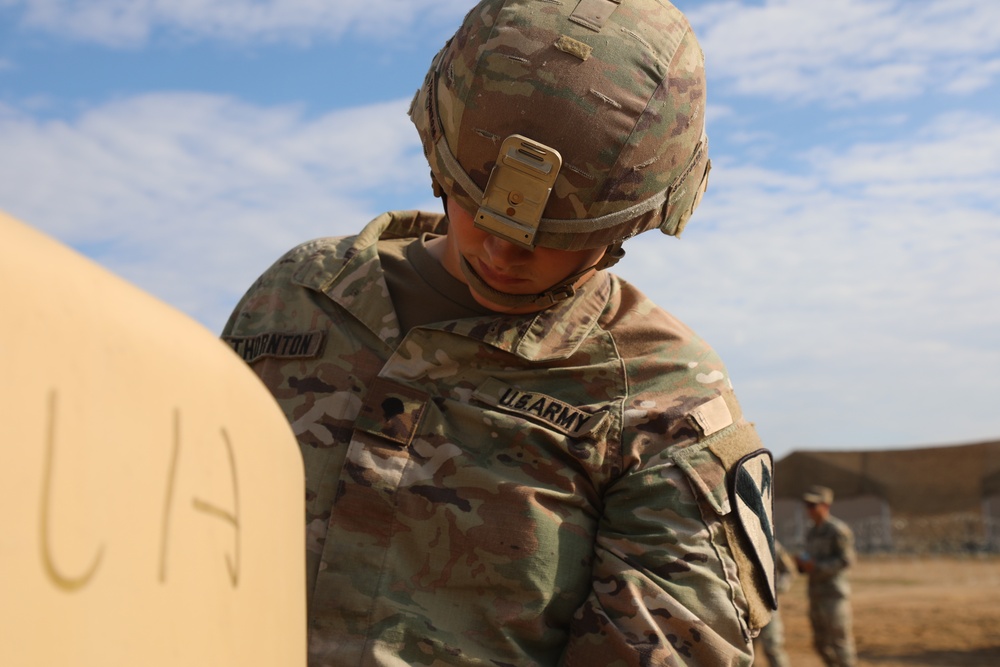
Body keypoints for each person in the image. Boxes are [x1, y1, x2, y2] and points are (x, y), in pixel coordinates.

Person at [222, 1, 776, 664]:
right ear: (438, 151)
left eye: (556, 236)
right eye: (479, 207)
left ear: (638, 220)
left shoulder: (667, 405)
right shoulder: (299, 295)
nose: (505, 252)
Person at [795, 485, 857, 667]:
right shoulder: (812, 532)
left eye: (813, 505)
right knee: (820, 644)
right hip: (816, 595)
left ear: (825, 506)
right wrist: (802, 565)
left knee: (840, 643)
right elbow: (809, 561)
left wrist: (817, 566)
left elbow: (846, 561)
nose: (809, 510)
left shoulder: (837, 530)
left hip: (834, 595)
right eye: (807, 505)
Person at [755, 540, 795, 667]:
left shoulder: (769, 542)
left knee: (773, 646)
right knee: (745, 650)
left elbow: (788, 570)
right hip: (742, 606)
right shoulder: (733, 536)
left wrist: (776, 590)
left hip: (768, 606)